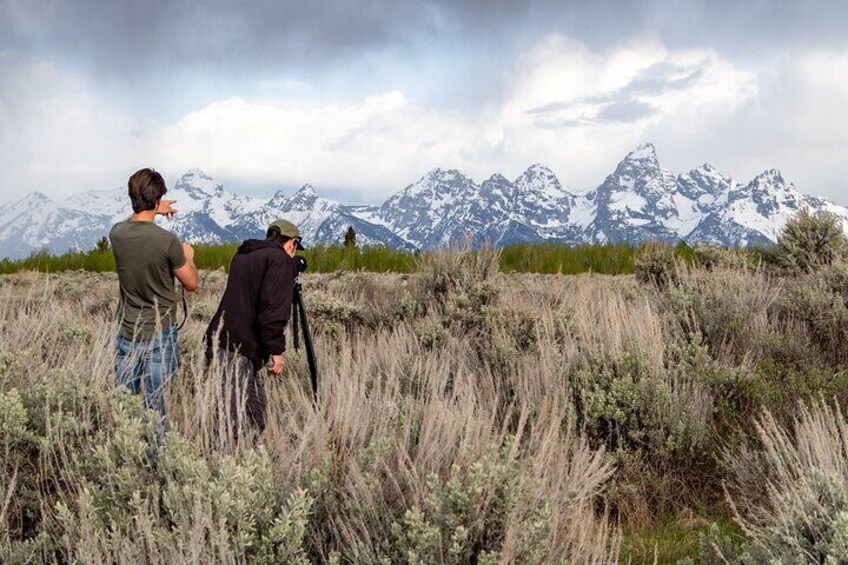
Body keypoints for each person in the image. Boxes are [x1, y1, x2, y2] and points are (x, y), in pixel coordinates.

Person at [110, 168, 199, 417]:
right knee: (155, 409)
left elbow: (132, 220)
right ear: (158, 199)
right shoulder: (167, 241)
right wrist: (188, 257)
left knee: (124, 408)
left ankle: (123, 453)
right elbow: (191, 284)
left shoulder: (117, 234)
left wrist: (151, 208)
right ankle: (154, 455)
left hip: (127, 331)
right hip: (160, 335)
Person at [204, 219, 303, 436]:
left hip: (221, 340)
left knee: (251, 412)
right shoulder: (279, 260)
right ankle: (227, 464)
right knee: (236, 421)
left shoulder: (245, 254)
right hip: (238, 348)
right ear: (291, 243)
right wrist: (276, 351)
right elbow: (272, 312)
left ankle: (240, 461)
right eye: (295, 247)